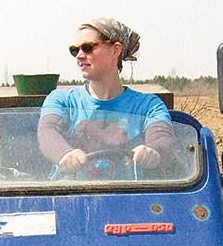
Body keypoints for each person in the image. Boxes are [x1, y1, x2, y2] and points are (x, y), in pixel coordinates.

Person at [37, 17, 178, 176]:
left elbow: (164, 138)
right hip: (71, 197)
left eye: (88, 48)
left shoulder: (149, 106)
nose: (79, 56)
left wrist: (153, 151)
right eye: (75, 50)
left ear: (115, 50)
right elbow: (47, 132)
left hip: (131, 196)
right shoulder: (60, 100)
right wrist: (64, 153)